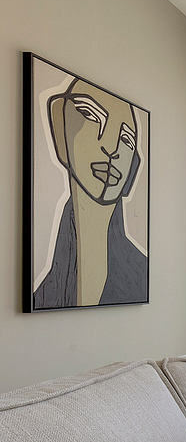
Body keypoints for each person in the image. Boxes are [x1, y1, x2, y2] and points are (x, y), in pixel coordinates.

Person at [33, 77, 147, 309]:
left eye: (126, 139)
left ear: (133, 166)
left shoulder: (139, 275)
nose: (112, 148)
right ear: (59, 126)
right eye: (91, 115)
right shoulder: (45, 293)